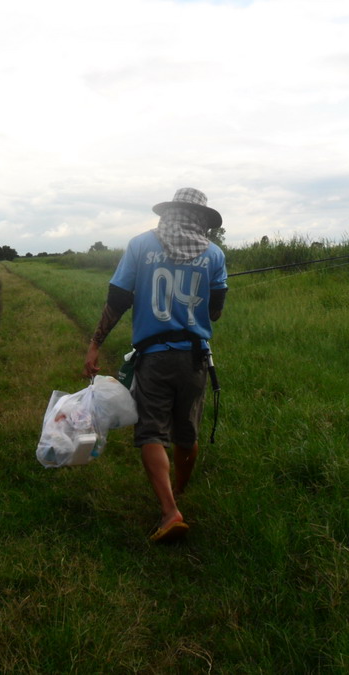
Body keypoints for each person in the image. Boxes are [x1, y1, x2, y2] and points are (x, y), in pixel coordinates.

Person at [83, 188, 227, 543]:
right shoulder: (214, 254)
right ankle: (176, 493)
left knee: (150, 432)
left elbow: (117, 300)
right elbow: (214, 313)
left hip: (154, 356)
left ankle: (168, 511)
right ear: (202, 219)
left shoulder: (140, 245)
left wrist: (95, 343)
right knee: (186, 432)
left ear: (170, 212)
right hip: (194, 358)